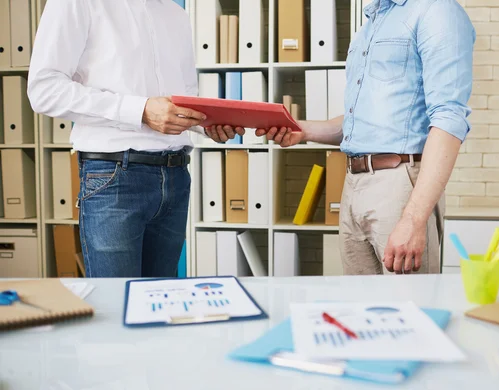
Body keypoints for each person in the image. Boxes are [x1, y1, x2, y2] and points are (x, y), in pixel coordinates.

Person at [27, 0, 243, 277]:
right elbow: (44, 90)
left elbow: (182, 95)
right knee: (116, 305)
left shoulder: (176, 14)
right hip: (114, 177)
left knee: (160, 302)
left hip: (175, 176)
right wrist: (140, 111)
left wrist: (207, 124)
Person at [259, 0, 475, 275]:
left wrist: (413, 218)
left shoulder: (437, 10)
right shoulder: (374, 20)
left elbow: (448, 118)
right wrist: (302, 130)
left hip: (399, 184)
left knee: (410, 308)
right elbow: (360, 124)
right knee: (362, 308)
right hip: (354, 187)